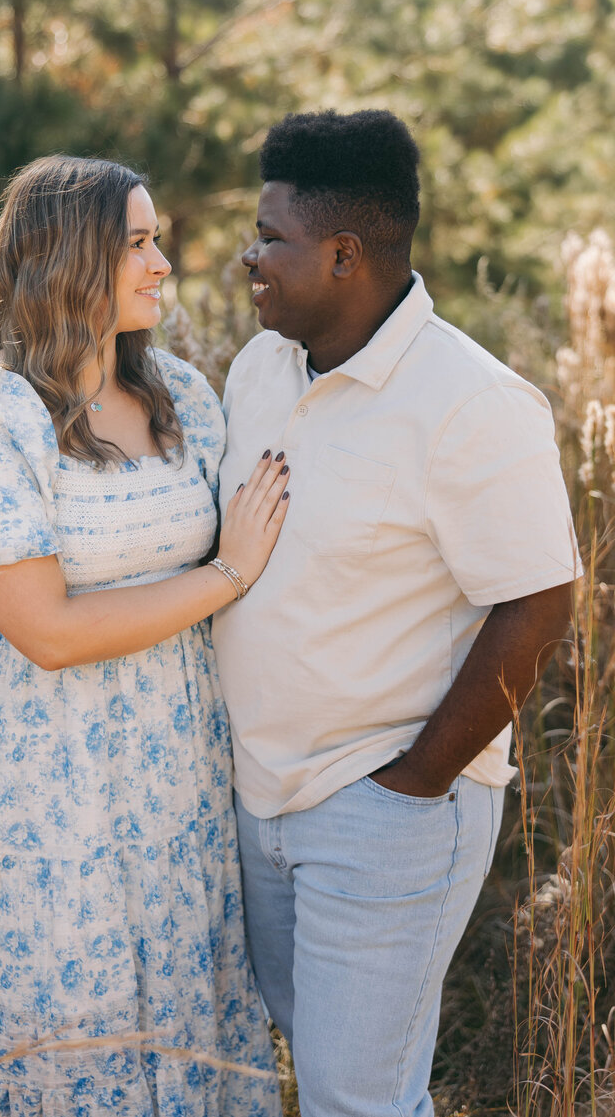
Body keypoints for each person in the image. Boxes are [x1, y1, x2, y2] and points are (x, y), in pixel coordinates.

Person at [211, 110, 581, 1117]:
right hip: (262, 801)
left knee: (355, 1096)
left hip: (381, 809)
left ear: (341, 255)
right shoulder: (258, 369)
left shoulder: (469, 401)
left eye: (269, 235)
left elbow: (539, 598)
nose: (249, 255)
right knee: (325, 1077)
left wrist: (410, 784)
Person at [0, 154, 288, 1117]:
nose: (164, 262)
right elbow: (47, 630)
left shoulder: (186, 400)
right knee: (65, 1009)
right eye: (137, 242)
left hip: (180, 766)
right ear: (67, 259)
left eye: (158, 240)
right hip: (47, 772)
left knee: (181, 1000)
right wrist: (226, 573)